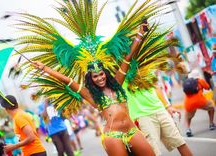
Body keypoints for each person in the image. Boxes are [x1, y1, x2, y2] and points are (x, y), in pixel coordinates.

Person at [33, 24, 155, 156]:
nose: (99, 78)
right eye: (95, 76)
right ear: (91, 79)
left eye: (101, 74)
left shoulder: (117, 83)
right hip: (113, 136)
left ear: (106, 74)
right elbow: (68, 81)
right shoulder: (90, 94)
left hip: (132, 131)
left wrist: (140, 34)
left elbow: (127, 58)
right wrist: (45, 69)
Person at [123, 81, 193, 156]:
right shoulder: (121, 72)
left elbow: (156, 87)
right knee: (154, 152)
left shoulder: (145, 69)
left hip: (160, 110)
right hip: (142, 116)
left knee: (180, 142)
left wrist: (167, 106)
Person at [184, 70, 215, 137]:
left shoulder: (187, 82)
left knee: (187, 116)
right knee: (212, 107)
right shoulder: (200, 81)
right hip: (201, 101)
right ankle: (211, 124)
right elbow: (208, 87)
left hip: (189, 103)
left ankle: (188, 129)